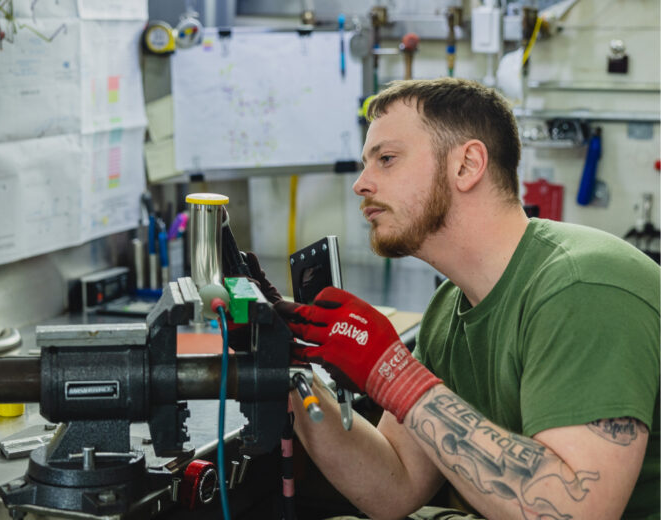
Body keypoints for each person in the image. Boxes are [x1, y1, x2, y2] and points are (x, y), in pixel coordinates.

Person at [270, 78, 659, 520]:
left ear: (467, 165)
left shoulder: (583, 286)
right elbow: (394, 484)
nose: (361, 183)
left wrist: (392, 374)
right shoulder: (450, 307)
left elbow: (571, 511)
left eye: (387, 159)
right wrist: (291, 373)